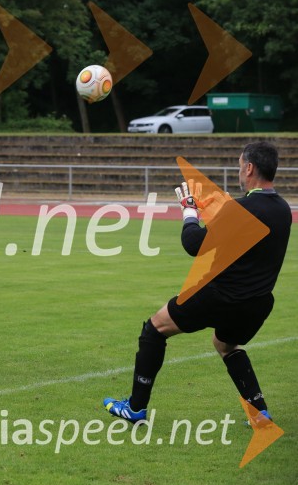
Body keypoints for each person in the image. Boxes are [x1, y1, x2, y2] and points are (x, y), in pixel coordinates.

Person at [103, 142, 291, 423]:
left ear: (250, 168)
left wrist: (189, 209)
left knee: (154, 329)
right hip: (259, 303)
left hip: (221, 296)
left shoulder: (241, 209)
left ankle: (135, 408)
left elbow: (193, 244)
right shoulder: (283, 209)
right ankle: (259, 411)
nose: (239, 172)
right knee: (225, 344)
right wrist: (220, 212)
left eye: (240, 166)